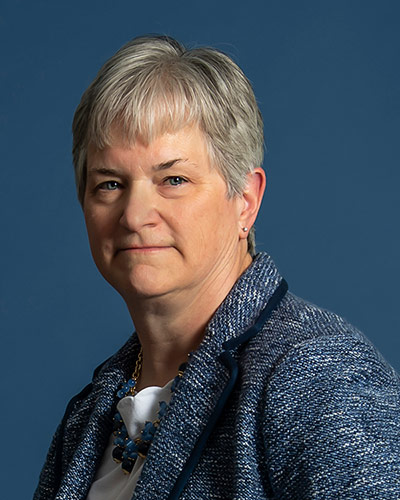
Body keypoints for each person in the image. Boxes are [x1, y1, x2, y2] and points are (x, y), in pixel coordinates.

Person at [34, 35, 400, 500]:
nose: (133, 214)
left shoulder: (318, 376)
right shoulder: (91, 413)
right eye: (109, 183)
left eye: (173, 180)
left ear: (245, 201)